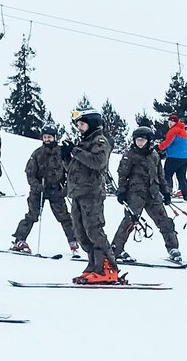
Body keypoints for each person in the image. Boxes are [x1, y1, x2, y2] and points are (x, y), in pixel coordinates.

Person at [61, 109, 118, 284]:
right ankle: (94, 265)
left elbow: (98, 162)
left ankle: (107, 268)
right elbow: (74, 169)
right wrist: (66, 158)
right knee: (80, 232)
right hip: (78, 193)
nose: (79, 128)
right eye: (78, 125)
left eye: (82, 124)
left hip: (91, 194)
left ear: (91, 123)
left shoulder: (100, 141)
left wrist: (75, 151)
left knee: (94, 230)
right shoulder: (84, 142)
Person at [111, 126, 181, 263]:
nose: (140, 142)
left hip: (153, 194)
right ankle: (116, 249)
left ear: (148, 141)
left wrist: (165, 191)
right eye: (138, 140)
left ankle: (173, 248)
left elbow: (160, 175)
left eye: (143, 140)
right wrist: (122, 191)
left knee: (165, 221)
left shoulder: (154, 155)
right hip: (135, 194)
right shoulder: (129, 155)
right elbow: (122, 175)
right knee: (130, 221)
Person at [11, 125, 78, 255]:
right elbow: (30, 173)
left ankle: (74, 242)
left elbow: (71, 172)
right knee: (32, 215)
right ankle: (19, 240)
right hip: (39, 191)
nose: (47, 139)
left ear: (54, 137)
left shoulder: (61, 152)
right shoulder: (37, 153)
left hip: (56, 191)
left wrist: (65, 188)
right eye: (45, 137)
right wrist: (36, 185)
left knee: (64, 217)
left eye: (50, 137)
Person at [157, 114, 187, 201]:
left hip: (174, 156)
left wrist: (159, 147)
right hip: (184, 157)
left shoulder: (174, 130)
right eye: (169, 122)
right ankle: (186, 194)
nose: (170, 123)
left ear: (176, 122)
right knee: (181, 176)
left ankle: (167, 192)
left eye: (172, 122)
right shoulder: (183, 131)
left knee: (167, 174)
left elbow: (167, 142)